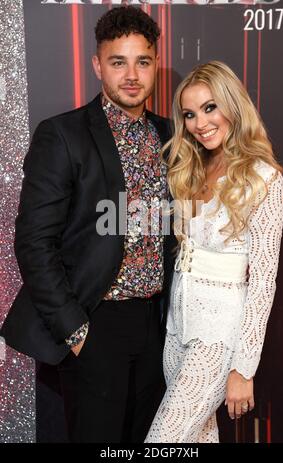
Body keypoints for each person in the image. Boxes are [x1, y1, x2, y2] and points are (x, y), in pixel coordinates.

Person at [0, 6, 175, 443]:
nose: (131, 74)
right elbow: (34, 243)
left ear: (156, 64)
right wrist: (76, 332)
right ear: (98, 65)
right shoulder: (62, 135)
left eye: (143, 61)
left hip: (157, 324)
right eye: (119, 62)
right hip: (95, 322)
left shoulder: (172, 137)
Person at [145, 61, 283, 443]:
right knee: (197, 439)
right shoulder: (191, 167)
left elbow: (263, 281)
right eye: (189, 114)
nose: (199, 123)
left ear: (232, 106)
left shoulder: (263, 177)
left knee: (163, 442)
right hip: (177, 329)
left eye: (210, 108)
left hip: (218, 336)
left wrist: (243, 367)